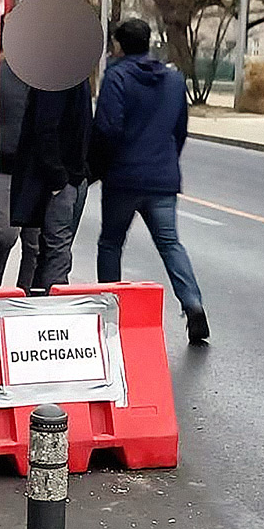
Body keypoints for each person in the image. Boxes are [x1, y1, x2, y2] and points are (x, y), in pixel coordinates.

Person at [91, 18, 210, 343]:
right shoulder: (173, 80)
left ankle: (110, 311)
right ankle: (193, 304)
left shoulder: (116, 77)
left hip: (123, 179)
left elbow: (107, 128)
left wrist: (98, 167)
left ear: (118, 45)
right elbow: (180, 129)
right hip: (161, 178)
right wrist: (167, 159)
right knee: (170, 243)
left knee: (111, 243)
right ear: (148, 43)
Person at [10, 79, 93, 292]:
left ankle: (43, 303)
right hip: (60, 180)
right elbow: (45, 128)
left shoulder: (76, 75)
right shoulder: (56, 77)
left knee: (53, 250)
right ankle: (54, 305)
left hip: (72, 177)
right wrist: (59, 179)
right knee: (57, 251)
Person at [0, 57, 30, 288]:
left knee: (36, 246)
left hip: (40, 171)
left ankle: (29, 301)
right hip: (4, 166)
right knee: (3, 234)